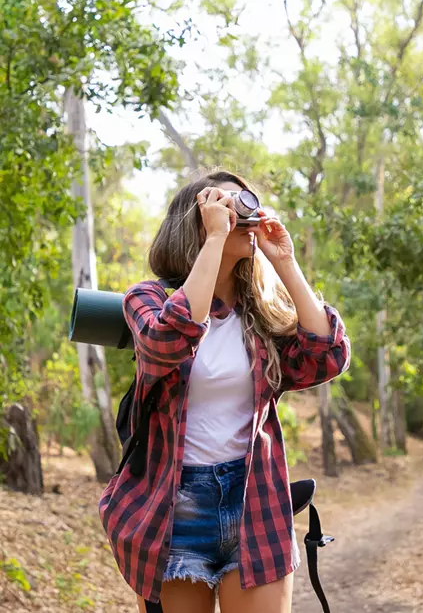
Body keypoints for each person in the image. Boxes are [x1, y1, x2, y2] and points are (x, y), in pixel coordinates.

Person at [98, 170, 351, 613]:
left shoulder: (261, 316)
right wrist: (214, 241)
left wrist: (285, 261)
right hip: (174, 511)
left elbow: (326, 356)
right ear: (197, 223)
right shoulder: (148, 298)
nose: (244, 218)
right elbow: (167, 344)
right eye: (228, 208)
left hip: (255, 498)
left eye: (246, 205)